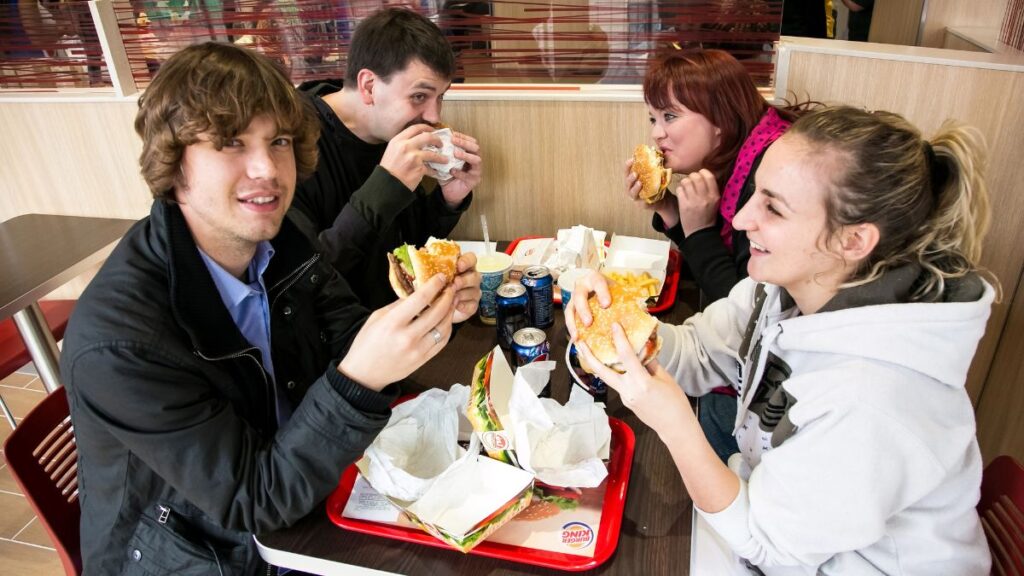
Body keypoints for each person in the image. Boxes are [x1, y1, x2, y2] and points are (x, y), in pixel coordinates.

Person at [61, 42, 460, 574]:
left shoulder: (278, 241)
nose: (267, 169)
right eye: (230, 143)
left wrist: (423, 317)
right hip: (199, 551)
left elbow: (346, 331)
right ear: (174, 162)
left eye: (278, 141)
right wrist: (357, 378)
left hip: (302, 495)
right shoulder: (120, 342)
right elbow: (255, 500)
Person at [572, 105, 996, 574]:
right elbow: (700, 351)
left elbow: (770, 546)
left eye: (773, 208)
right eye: (754, 195)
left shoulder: (874, 399)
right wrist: (619, 326)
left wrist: (674, 423)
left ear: (853, 241)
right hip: (775, 512)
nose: (738, 221)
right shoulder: (781, 286)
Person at [626, 49, 811, 462]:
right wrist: (671, 213)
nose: (657, 134)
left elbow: (750, 314)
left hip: (768, 393)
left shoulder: (765, 178)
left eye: (670, 117)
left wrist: (700, 230)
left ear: (721, 121)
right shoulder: (734, 161)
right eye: (653, 119)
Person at [292, 7, 484, 313]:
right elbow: (303, 282)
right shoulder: (292, 146)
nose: (435, 116)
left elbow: (406, 245)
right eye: (420, 96)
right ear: (369, 86)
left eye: (440, 97)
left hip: (405, 320)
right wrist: (384, 188)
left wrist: (446, 201)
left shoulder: (392, 132)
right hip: (345, 347)